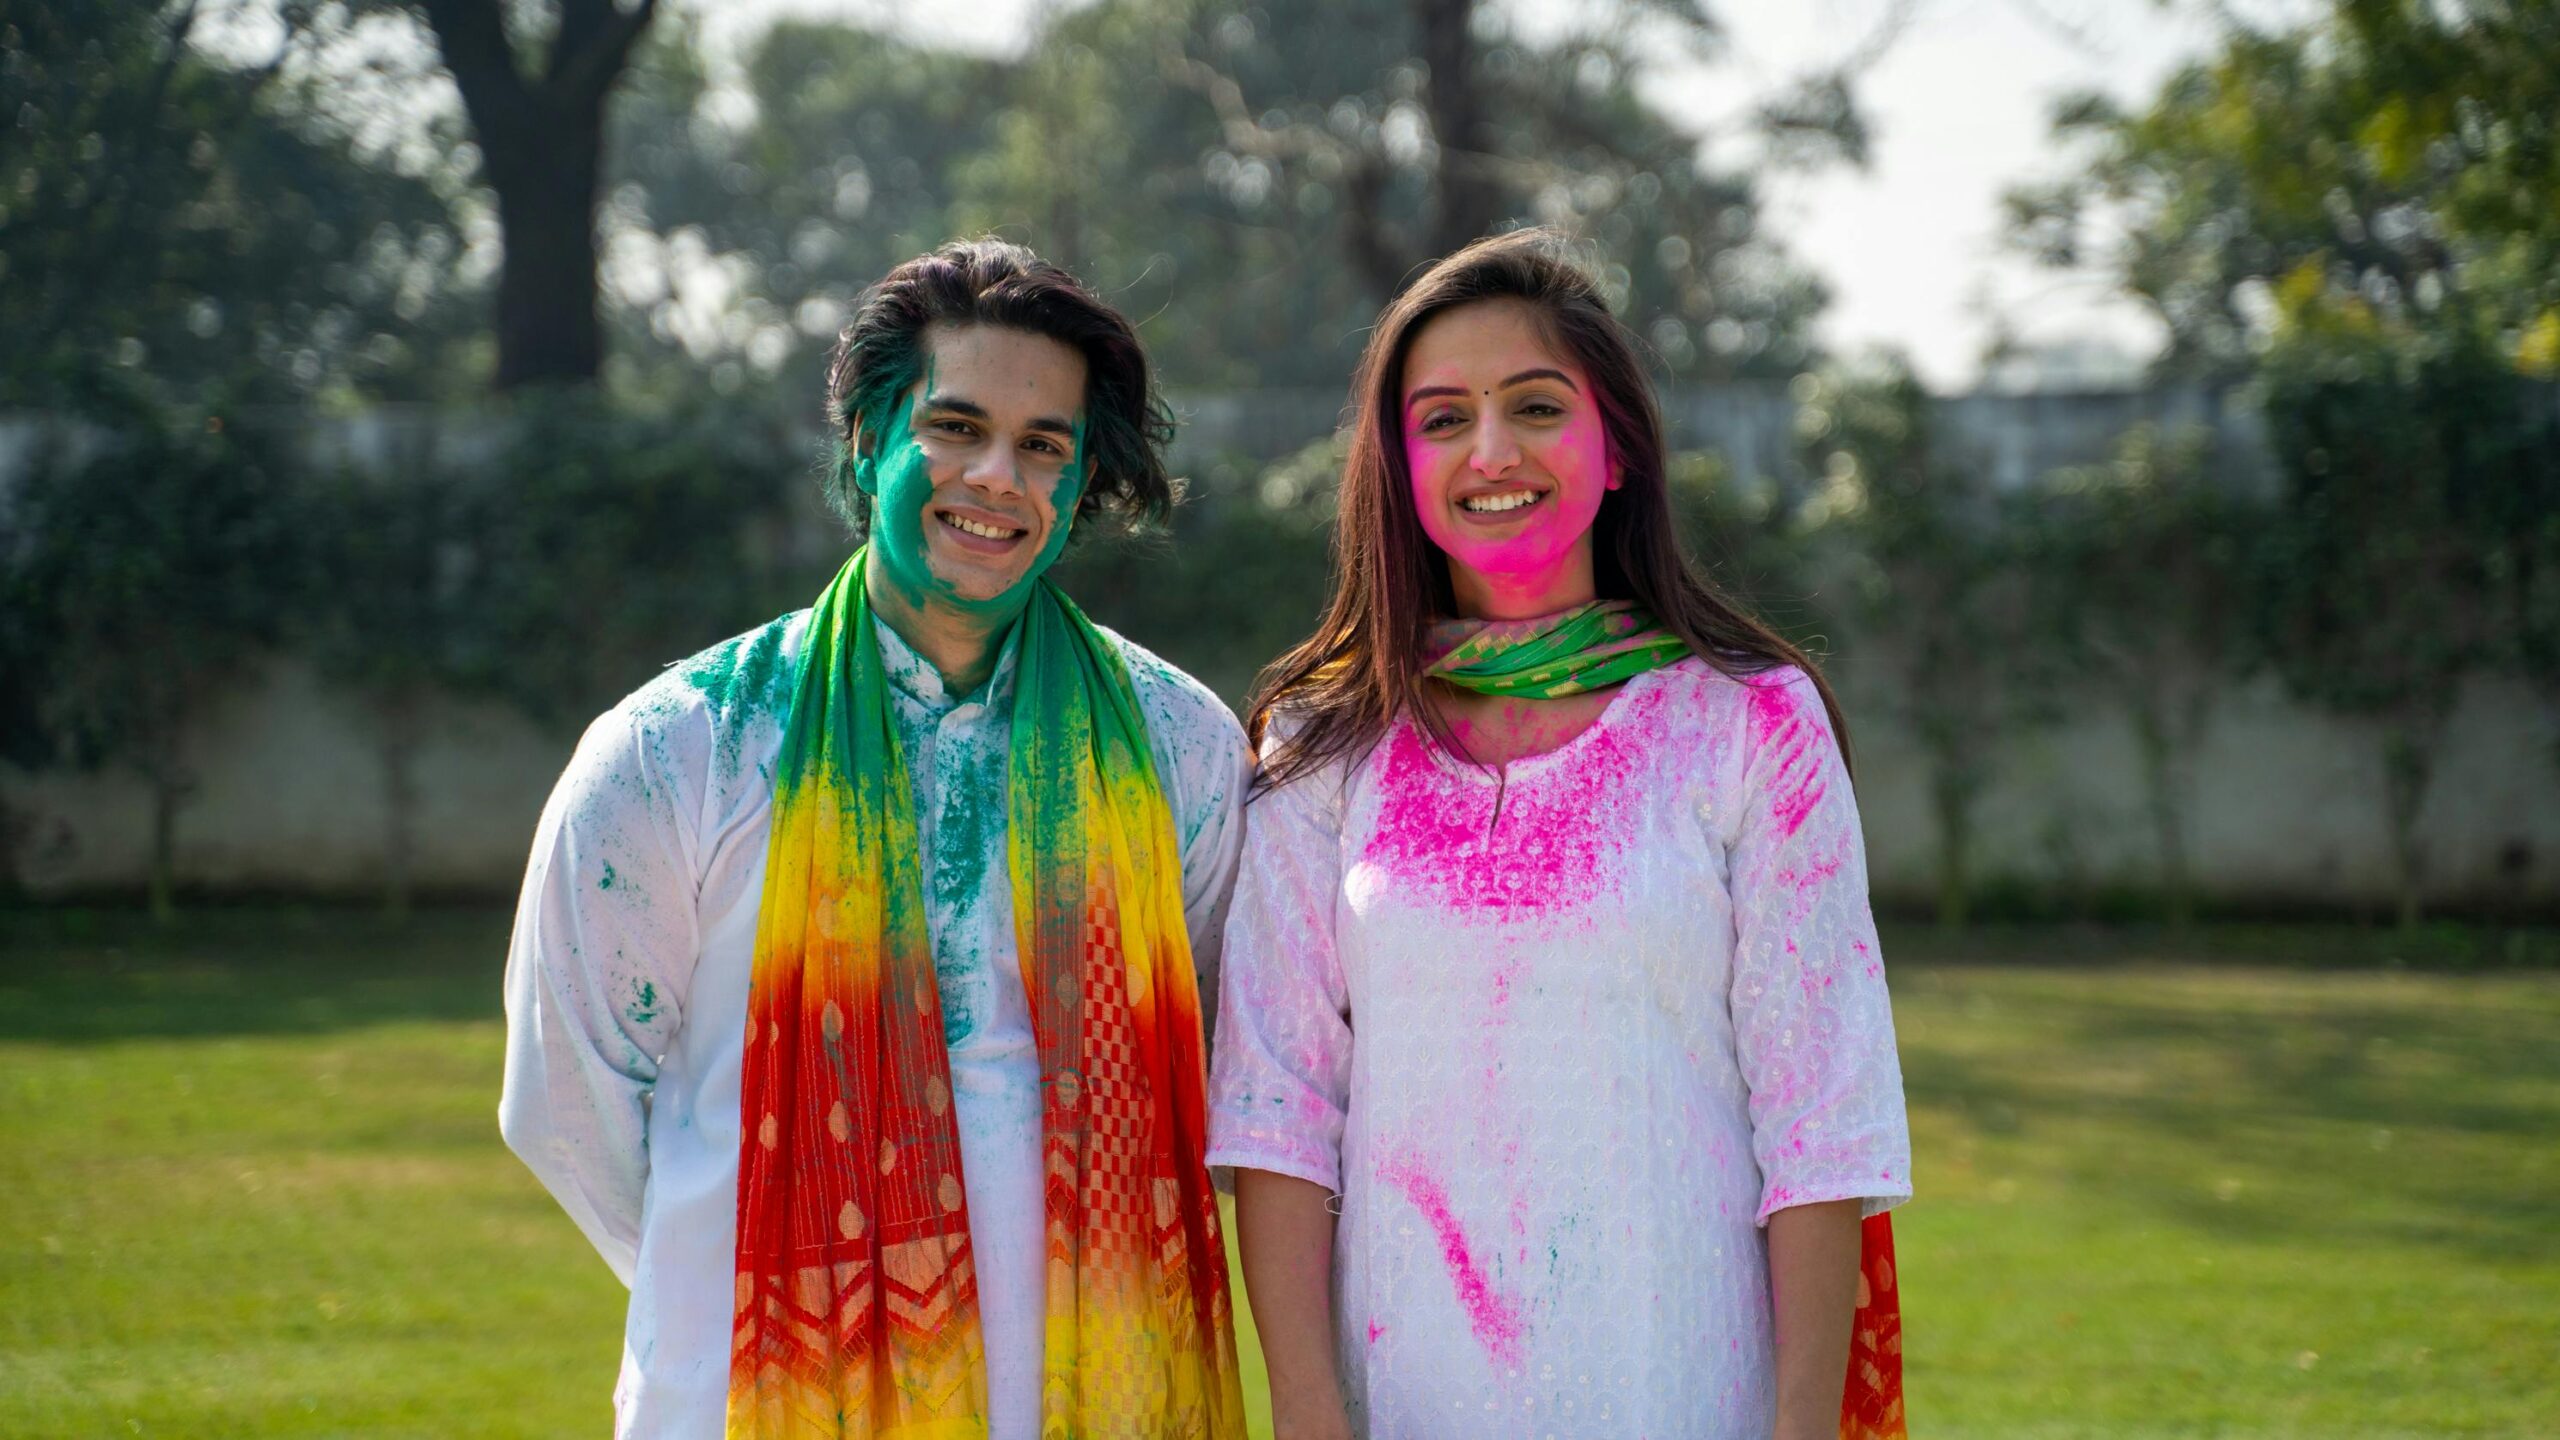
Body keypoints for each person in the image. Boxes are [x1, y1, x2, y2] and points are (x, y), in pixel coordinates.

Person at [500, 239, 1250, 1439]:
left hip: (1104, 1394)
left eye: (1043, 444)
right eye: (953, 427)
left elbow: (1225, 1067)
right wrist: (781, 1286)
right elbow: (566, 1103)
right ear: (867, 438)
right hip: (758, 1390)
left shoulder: (1181, 750)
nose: (995, 476)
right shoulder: (686, 748)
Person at [1205, 229, 1912, 1440]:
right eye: (1441, 419)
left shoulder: (1746, 723)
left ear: (1617, 446)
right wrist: (1309, 1412)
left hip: (1686, 1381)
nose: (1492, 452)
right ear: (1396, 466)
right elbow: (1276, 1112)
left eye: (1535, 406)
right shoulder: (1325, 744)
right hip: (1403, 1386)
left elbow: (1821, 1121)